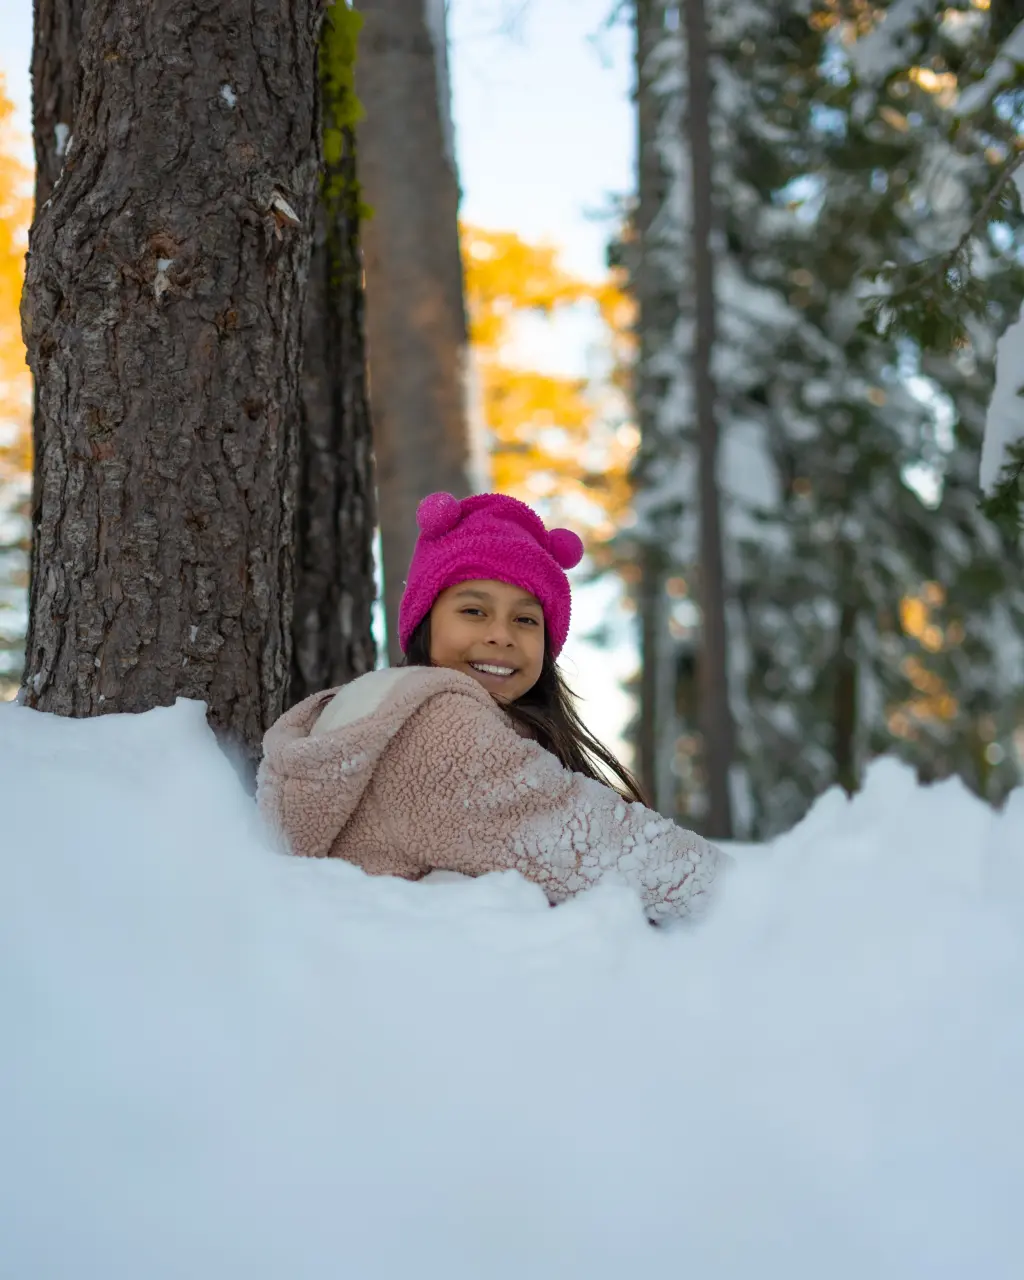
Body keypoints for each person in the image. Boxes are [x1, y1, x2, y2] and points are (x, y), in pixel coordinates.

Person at [257, 492, 724, 922]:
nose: (501, 634)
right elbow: (594, 843)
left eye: (524, 619)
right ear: (425, 622)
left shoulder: (405, 713)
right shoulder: (436, 730)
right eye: (474, 611)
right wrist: (749, 902)